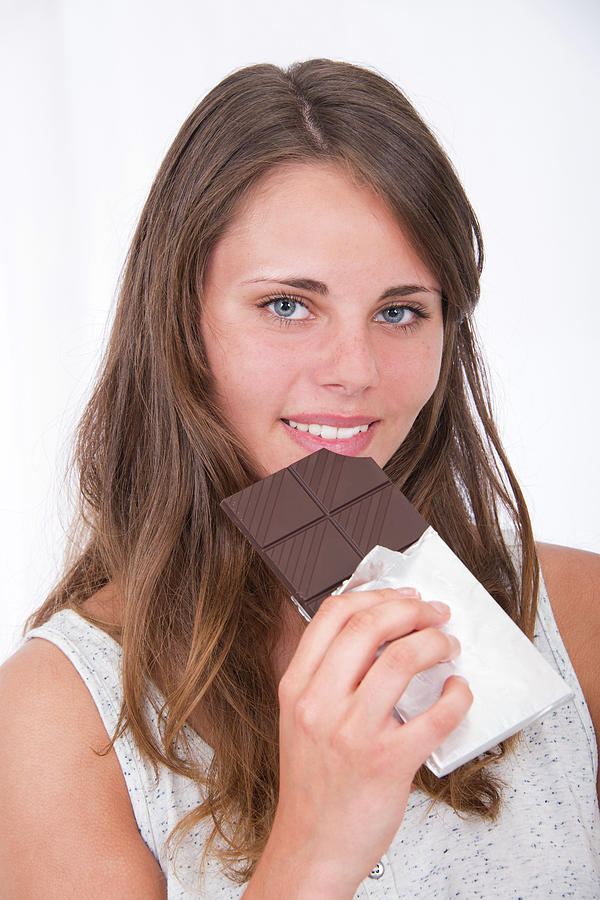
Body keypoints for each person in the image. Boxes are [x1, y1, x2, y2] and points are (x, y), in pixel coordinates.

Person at [0, 58, 598, 898]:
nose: (353, 370)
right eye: (288, 304)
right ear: (179, 320)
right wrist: (312, 853)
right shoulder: (60, 718)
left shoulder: (571, 614)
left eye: (399, 311)